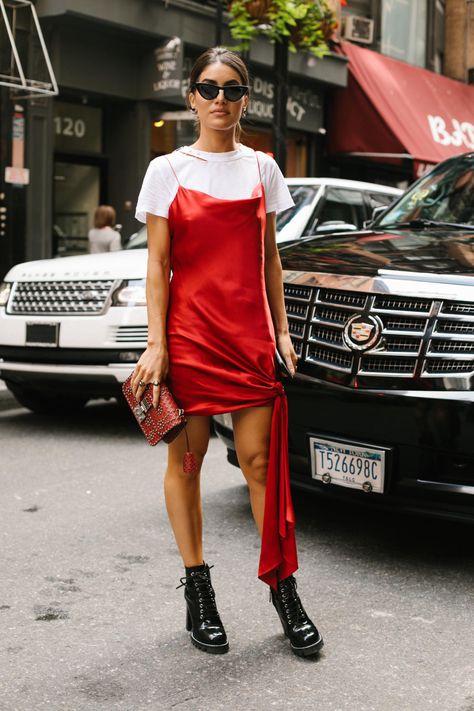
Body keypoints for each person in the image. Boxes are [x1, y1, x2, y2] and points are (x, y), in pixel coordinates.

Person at [133, 47, 323, 658]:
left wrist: (284, 333)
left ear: (246, 100)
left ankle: (283, 590)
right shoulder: (166, 169)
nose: (221, 98)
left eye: (233, 89)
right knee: (186, 466)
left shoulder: (264, 168)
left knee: (259, 464)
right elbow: (158, 265)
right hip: (188, 339)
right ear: (191, 97)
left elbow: (270, 259)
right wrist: (157, 343)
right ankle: (198, 589)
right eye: (208, 87)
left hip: (246, 338)